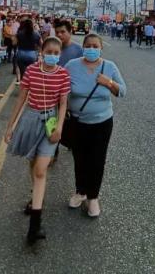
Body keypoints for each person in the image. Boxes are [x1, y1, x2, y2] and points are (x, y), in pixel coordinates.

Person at [4, 37, 70, 244]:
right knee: (32, 163)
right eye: (49, 51)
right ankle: (35, 198)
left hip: (50, 121)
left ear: (59, 54)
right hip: (31, 119)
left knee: (41, 169)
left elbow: (63, 104)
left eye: (56, 53)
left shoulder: (63, 74)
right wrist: (10, 126)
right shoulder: (32, 70)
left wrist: (59, 127)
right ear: (41, 51)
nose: (53, 55)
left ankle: (34, 226)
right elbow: (21, 98)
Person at [65, 34, 126, 218]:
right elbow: (61, 89)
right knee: (80, 158)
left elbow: (122, 91)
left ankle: (93, 197)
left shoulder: (109, 66)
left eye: (95, 46)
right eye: (88, 45)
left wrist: (108, 82)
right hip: (77, 122)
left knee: (97, 160)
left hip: (102, 122)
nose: (91, 49)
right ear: (83, 47)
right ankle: (81, 191)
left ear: (101, 48)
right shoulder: (72, 66)